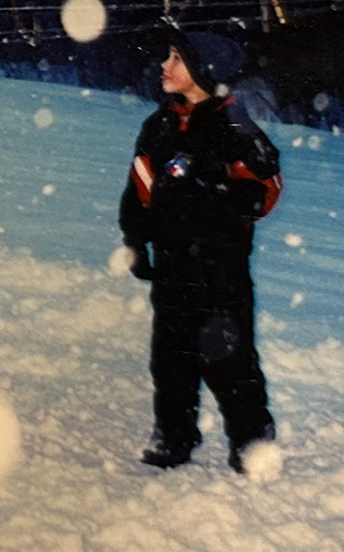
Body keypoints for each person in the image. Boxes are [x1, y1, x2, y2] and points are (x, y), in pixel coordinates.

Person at [118, 25, 283, 473]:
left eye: (177, 58)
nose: (165, 66)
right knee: (170, 361)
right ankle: (173, 435)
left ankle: (252, 441)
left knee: (231, 363)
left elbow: (265, 189)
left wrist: (213, 192)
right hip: (173, 268)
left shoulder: (234, 124)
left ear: (204, 72)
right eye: (167, 56)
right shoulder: (159, 125)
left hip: (220, 272)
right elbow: (139, 189)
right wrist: (135, 240)